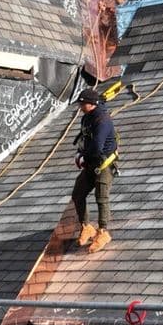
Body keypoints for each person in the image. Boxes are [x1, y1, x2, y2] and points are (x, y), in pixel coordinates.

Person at [70, 88, 118, 251]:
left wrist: (85, 157)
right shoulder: (86, 119)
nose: (80, 107)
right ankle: (86, 227)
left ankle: (103, 232)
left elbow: (97, 147)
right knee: (78, 193)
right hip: (91, 162)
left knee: (101, 197)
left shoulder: (102, 120)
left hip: (103, 164)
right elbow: (85, 140)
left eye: (82, 104)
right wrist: (79, 153)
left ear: (91, 104)